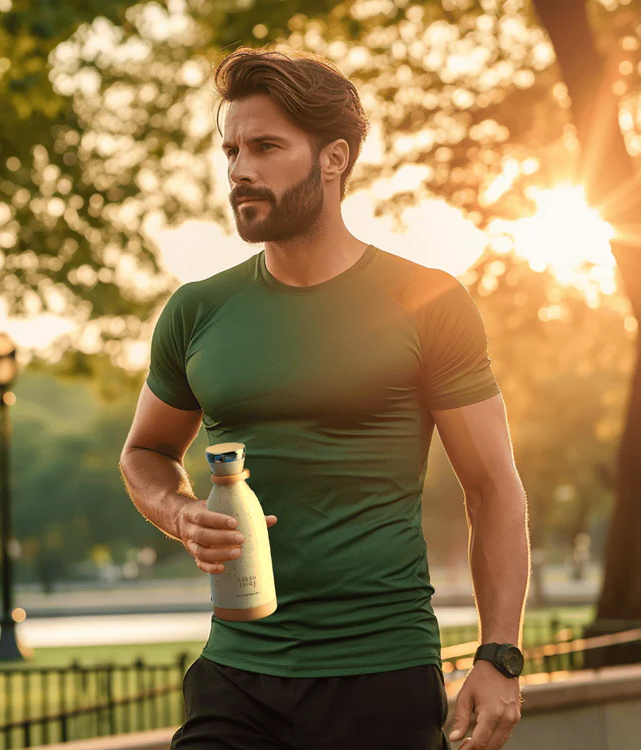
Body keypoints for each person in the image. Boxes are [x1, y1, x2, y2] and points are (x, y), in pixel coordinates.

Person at [120, 45, 530, 750]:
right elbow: (146, 452)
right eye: (231, 150)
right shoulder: (196, 311)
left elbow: (492, 488)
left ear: (333, 159)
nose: (239, 169)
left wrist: (499, 655)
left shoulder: (426, 302)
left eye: (266, 147)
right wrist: (180, 512)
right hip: (236, 674)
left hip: (380, 675)